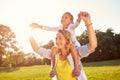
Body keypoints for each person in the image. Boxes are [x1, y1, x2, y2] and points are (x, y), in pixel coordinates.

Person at [29, 11, 97, 80]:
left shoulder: (75, 51)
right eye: (56, 38)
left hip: (74, 45)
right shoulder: (55, 53)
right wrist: (31, 31)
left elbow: (92, 45)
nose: (57, 41)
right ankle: (53, 68)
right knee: (53, 48)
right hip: (67, 47)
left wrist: (86, 22)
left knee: (72, 47)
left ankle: (77, 66)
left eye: (60, 38)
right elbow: (37, 48)